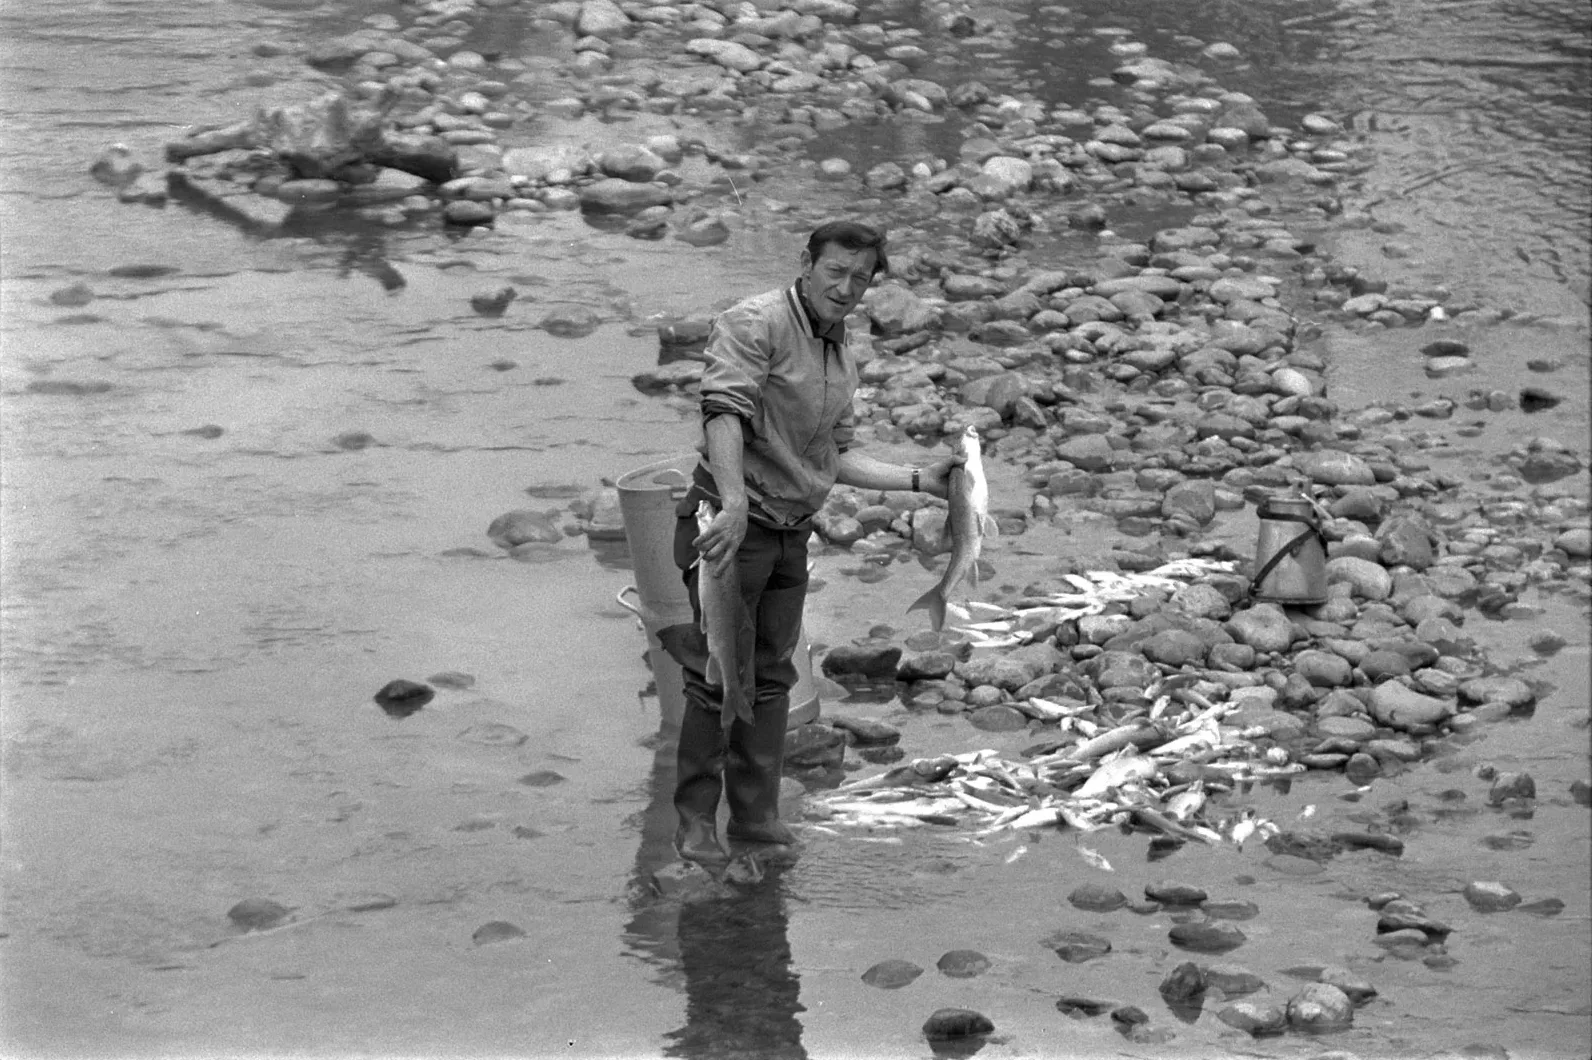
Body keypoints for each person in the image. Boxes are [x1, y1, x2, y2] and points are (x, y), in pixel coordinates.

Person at [663, 220, 962, 865]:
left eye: (860, 278)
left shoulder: (840, 350)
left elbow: (835, 456)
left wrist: (922, 481)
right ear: (806, 263)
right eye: (836, 272)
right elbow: (723, 411)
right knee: (715, 676)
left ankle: (753, 817)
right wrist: (736, 504)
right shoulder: (756, 323)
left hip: (788, 533)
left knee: (770, 676)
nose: (847, 288)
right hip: (727, 525)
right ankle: (692, 823)